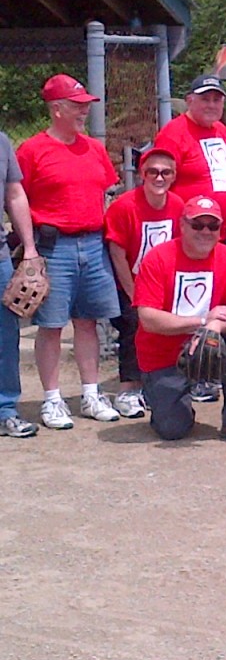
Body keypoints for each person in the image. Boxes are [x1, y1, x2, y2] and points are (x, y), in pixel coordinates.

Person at [16, 73, 122, 429]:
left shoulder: (93, 147)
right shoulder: (32, 150)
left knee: (88, 321)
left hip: (93, 242)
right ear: (56, 108)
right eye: (77, 106)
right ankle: (52, 399)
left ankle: (91, 393)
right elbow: (17, 199)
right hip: (54, 244)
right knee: (51, 324)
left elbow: (105, 193)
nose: (83, 112)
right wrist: (30, 249)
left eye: (85, 106)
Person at [133, 196, 226, 442]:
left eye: (212, 226)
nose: (205, 231)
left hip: (212, 344)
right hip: (164, 355)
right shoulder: (158, 258)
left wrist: (214, 326)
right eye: (197, 225)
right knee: (173, 430)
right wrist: (203, 321)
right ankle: (162, 398)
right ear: (182, 225)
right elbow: (148, 318)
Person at [103, 148, 185, 419]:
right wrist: (134, 293)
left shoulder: (177, 205)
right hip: (129, 281)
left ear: (174, 176)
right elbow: (117, 252)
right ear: (142, 175)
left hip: (163, 283)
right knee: (134, 326)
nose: (159, 178)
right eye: (153, 172)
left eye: (166, 172)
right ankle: (128, 388)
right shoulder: (125, 206)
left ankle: (162, 384)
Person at [153, 75, 226, 247]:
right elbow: (159, 186)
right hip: (192, 235)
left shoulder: (221, 130)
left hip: (223, 232)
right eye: (205, 99)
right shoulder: (173, 133)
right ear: (189, 100)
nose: (211, 105)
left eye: (217, 100)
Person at [0, 130, 39, 437]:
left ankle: (5, 409)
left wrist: (29, 249)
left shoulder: (1, 142)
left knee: (5, 335)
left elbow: (14, 194)